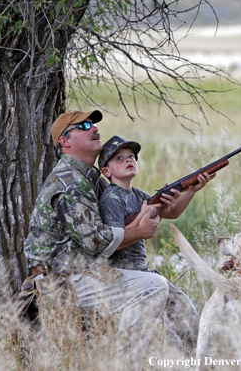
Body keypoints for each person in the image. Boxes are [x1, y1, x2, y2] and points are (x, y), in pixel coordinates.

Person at [21, 109, 179, 350]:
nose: (94, 128)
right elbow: (95, 241)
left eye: (93, 125)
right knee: (153, 286)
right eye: (83, 127)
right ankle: (122, 360)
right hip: (63, 280)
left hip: (87, 273)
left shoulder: (91, 179)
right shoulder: (69, 181)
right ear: (65, 142)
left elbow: (126, 218)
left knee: (174, 297)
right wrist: (142, 232)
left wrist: (178, 194)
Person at [97, 135, 214, 353]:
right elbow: (114, 241)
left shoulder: (140, 195)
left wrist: (191, 189)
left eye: (132, 157)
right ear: (106, 172)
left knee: (189, 316)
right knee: (168, 336)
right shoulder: (110, 198)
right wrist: (143, 216)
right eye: (119, 158)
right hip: (125, 277)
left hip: (146, 273)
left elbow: (173, 211)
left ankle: (202, 361)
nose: (129, 160)